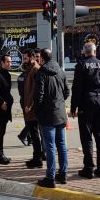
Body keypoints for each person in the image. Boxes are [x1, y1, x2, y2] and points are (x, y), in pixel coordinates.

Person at [70, 42, 100, 179]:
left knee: (87, 137)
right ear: (95, 51)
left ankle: (88, 168)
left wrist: (73, 107)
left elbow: (76, 88)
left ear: (84, 52)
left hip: (86, 102)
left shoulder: (81, 65)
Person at [35, 49, 70, 188]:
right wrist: (59, 102)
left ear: (42, 59)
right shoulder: (60, 71)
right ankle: (63, 173)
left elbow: (39, 96)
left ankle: (50, 177)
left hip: (47, 114)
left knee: (49, 146)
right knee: (61, 145)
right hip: (60, 113)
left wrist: (38, 110)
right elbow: (67, 91)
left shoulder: (41, 73)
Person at [22, 49, 43, 169]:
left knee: (35, 134)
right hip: (29, 106)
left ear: (32, 58)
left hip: (33, 108)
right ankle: (37, 157)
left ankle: (38, 159)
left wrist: (29, 105)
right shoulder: (30, 69)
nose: (23, 60)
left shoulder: (35, 69)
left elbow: (35, 90)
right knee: (34, 133)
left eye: (25, 58)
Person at [16, 62, 31, 146]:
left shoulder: (20, 77)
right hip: (28, 100)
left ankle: (29, 139)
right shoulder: (28, 76)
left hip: (23, 100)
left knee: (27, 120)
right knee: (32, 121)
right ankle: (23, 135)